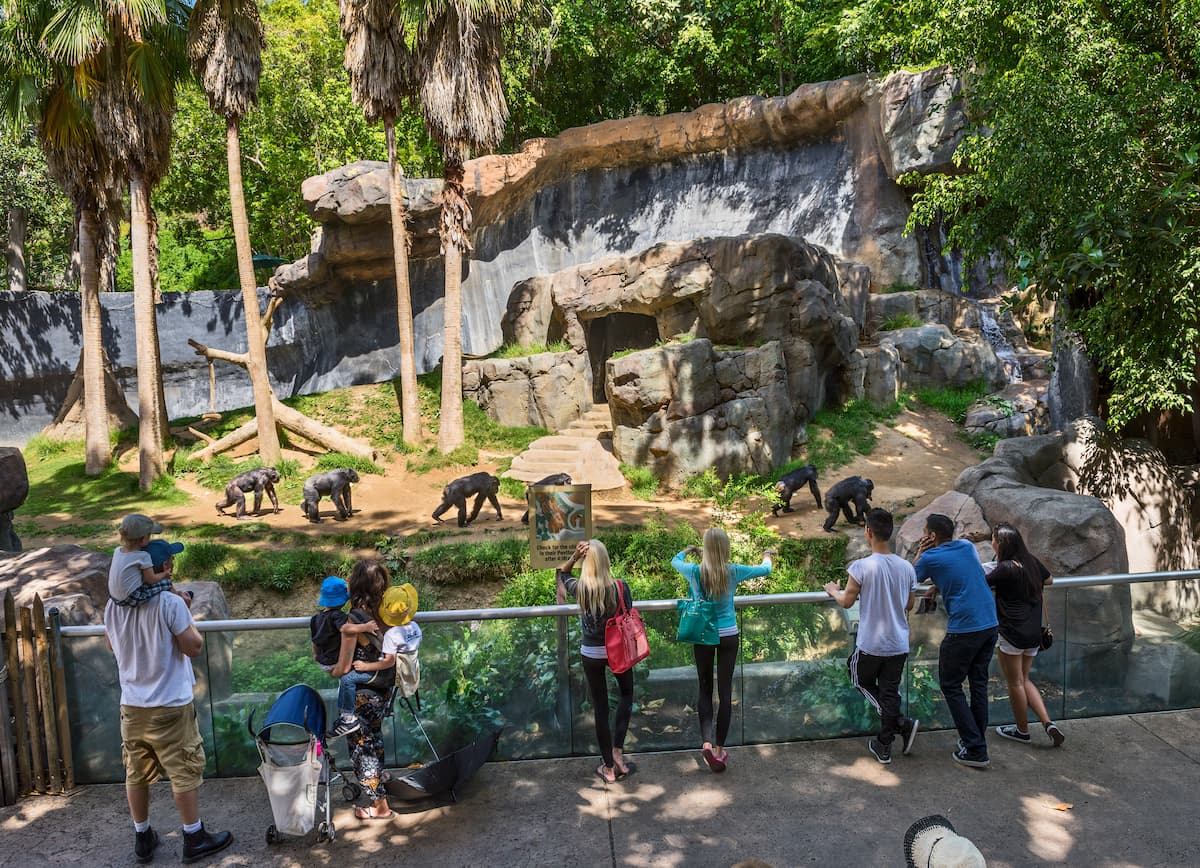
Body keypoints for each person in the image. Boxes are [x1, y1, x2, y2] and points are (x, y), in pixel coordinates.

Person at [104, 535, 233, 864]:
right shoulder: (170, 603)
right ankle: (193, 836)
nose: (172, 565)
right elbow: (193, 647)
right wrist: (185, 613)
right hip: (171, 704)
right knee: (183, 771)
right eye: (169, 561)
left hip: (132, 704)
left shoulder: (113, 605)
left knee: (136, 772)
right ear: (159, 567)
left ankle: (142, 836)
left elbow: (110, 645)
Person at [671, 528, 773, 772]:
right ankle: (718, 750)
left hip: (703, 634)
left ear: (705, 549)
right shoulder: (733, 571)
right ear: (726, 548)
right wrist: (768, 554)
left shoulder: (695, 571)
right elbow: (766, 569)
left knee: (705, 688)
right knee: (725, 693)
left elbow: (674, 561)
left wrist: (688, 550)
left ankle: (705, 742)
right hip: (728, 635)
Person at [824, 508, 920, 764]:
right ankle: (885, 742)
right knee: (889, 693)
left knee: (857, 678)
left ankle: (899, 723)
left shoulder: (861, 566)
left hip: (871, 645)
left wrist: (833, 590)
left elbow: (846, 602)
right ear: (890, 533)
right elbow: (909, 605)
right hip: (898, 643)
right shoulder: (907, 568)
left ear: (868, 532)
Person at [913, 513, 999, 769]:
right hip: (990, 624)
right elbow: (960, 572)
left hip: (964, 629)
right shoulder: (966, 546)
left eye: (924, 532)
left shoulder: (930, 557)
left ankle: (975, 748)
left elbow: (909, 578)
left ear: (931, 536)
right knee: (978, 684)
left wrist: (919, 552)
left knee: (950, 685)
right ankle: (975, 741)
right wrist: (938, 586)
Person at [557, 539, 634, 784]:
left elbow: (562, 574)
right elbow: (627, 612)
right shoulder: (620, 587)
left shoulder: (581, 589)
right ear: (606, 561)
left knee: (600, 708)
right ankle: (618, 752)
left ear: (587, 564)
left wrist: (573, 557)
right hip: (617, 651)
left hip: (591, 654)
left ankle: (608, 769)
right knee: (626, 694)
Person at [986, 523, 1066, 747]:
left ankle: (1022, 730)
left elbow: (981, 583)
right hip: (1033, 633)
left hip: (1012, 633)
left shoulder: (1006, 568)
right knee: (1024, 679)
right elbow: (1048, 580)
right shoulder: (1030, 561)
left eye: (993, 539)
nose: (992, 542)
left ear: (1001, 543)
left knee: (1015, 683)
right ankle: (1048, 723)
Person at [329, 559, 394, 820]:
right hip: (382, 689)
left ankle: (380, 806)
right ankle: (382, 791)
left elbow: (344, 667)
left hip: (361, 694)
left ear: (354, 585)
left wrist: (329, 670)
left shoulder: (354, 619)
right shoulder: (388, 615)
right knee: (375, 741)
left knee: (362, 747)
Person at [310, 576, 378, 738]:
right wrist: (365, 627)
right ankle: (348, 716)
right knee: (347, 680)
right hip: (336, 662)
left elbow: (314, 641)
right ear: (342, 600)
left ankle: (343, 716)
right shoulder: (338, 616)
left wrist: (315, 656)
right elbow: (346, 629)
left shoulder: (315, 619)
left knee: (343, 683)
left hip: (322, 661)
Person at [109, 514, 175, 607]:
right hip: (132, 598)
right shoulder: (143, 556)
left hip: (114, 597)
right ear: (143, 539)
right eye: (149, 535)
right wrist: (165, 574)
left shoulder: (117, 551)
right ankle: (179, 600)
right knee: (165, 583)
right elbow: (151, 579)